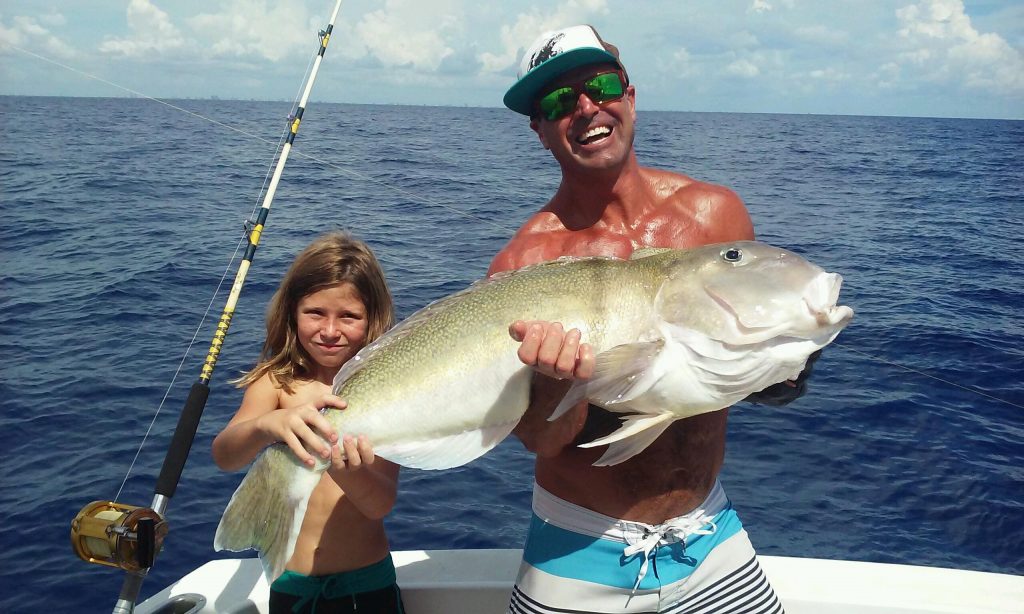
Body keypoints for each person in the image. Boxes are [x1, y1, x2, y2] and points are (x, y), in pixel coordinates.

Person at [492, 25, 806, 614]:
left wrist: (789, 366)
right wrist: (559, 383)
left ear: (629, 95)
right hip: (575, 548)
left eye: (599, 85)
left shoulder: (716, 220)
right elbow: (537, 437)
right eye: (558, 102)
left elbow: (757, 381)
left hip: (706, 536)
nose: (585, 108)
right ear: (539, 130)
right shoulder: (522, 266)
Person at [212, 231, 404, 614]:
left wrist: (341, 465)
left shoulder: (387, 391)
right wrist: (268, 424)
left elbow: (379, 504)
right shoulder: (276, 382)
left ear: (372, 319)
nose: (330, 331)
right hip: (291, 586)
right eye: (315, 313)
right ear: (292, 311)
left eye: (349, 316)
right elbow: (225, 454)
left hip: (367, 585)